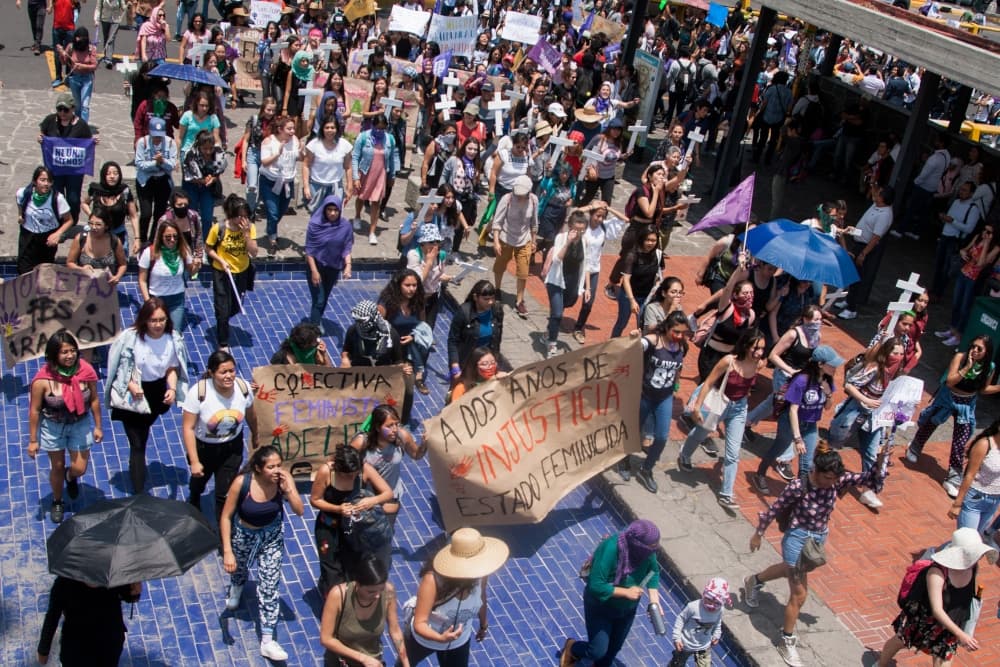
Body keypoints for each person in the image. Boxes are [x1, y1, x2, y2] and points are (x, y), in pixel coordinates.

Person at [747, 442, 888, 667]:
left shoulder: (837, 481)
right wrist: (758, 534)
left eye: (835, 478)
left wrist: (880, 463)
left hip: (818, 539)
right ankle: (786, 640)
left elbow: (868, 480)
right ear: (817, 471)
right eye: (828, 478)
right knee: (800, 594)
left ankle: (754, 581)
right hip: (797, 538)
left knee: (788, 569)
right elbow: (774, 510)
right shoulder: (798, 487)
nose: (832, 483)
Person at [219, 445, 304, 662]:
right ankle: (237, 585)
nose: (277, 470)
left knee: (269, 586)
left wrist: (289, 488)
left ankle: (268, 639)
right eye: (271, 467)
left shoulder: (283, 482)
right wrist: (227, 551)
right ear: (258, 468)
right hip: (244, 534)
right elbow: (226, 516)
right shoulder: (243, 483)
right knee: (239, 568)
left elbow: (300, 510)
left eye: (279, 465)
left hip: (272, 537)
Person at [878, 527, 996, 667]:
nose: (978, 557)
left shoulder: (973, 567)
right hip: (925, 620)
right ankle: (880, 664)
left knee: (943, 660)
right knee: (901, 641)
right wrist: (961, 635)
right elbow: (937, 610)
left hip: (951, 626)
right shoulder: (936, 572)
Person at [106, 298, 189, 494]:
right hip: (132, 395)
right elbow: (118, 367)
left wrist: (172, 387)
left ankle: (137, 465)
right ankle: (138, 488)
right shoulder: (129, 338)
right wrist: (131, 385)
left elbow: (172, 367)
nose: (158, 324)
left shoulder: (173, 339)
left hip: (155, 393)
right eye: (153, 320)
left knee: (143, 432)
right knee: (138, 443)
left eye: (162, 320)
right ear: (144, 320)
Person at [680, 330, 766, 509]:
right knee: (701, 433)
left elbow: (748, 385)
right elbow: (709, 382)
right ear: (746, 346)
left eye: (762, 349)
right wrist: (697, 406)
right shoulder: (729, 361)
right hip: (720, 403)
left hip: (739, 408)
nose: (759, 352)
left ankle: (726, 493)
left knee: (733, 453)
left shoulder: (759, 364)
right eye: (755, 348)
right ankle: (685, 454)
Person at [400, 528, 509, 667]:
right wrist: (440, 638)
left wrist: (483, 624)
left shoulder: (481, 573)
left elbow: (481, 595)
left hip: (458, 642)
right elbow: (419, 623)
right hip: (423, 641)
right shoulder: (432, 580)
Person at [559, 520, 662, 667]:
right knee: (597, 651)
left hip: (627, 610)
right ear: (639, 545)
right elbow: (596, 585)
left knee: (612, 650)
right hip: (601, 607)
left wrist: (654, 600)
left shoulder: (646, 552)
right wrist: (626, 592)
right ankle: (572, 648)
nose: (655, 550)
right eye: (652, 546)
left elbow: (653, 571)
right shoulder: (610, 548)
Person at [907, 336, 1000, 497]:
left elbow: (983, 389)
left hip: (967, 403)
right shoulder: (960, 357)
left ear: (987, 352)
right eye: (973, 346)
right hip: (948, 397)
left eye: (979, 349)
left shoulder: (989, 367)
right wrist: (967, 368)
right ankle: (915, 446)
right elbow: (950, 381)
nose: (975, 351)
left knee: (961, 440)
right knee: (931, 423)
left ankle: (953, 478)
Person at [26, 333, 101, 524]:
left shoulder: (86, 371)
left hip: (80, 424)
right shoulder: (42, 381)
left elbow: (93, 399)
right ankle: (57, 501)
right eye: (64, 352)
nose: (70, 356)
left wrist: (98, 426)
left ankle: (71, 476)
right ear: (53, 355)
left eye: (73, 351)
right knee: (57, 466)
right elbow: (34, 410)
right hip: (53, 428)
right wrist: (33, 440)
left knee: (80, 468)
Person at [182, 349, 259, 524]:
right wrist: (194, 461)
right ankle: (194, 497)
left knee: (224, 494)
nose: (229, 376)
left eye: (232, 371)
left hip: (232, 448)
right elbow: (188, 427)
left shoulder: (243, 388)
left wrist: (255, 433)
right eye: (223, 372)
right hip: (204, 448)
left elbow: (251, 414)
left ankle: (223, 534)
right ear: (211, 373)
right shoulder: (198, 393)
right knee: (199, 481)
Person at [828, 336, 906, 509]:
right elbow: (849, 385)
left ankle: (867, 490)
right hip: (856, 411)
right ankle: (824, 476)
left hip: (875, 418)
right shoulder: (874, 369)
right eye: (895, 352)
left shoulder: (897, 376)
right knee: (834, 444)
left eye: (901, 354)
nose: (898, 357)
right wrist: (866, 400)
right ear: (887, 352)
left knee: (871, 453)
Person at [753, 346, 843, 492]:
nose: (835, 367)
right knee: (778, 449)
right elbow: (793, 410)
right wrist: (797, 438)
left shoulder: (827, 380)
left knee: (806, 463)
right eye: (832, 364)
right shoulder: (801, 380)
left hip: (811, 424)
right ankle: (760, 474)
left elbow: (827, 407)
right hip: (790, 423)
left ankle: (800, 493)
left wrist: (828, 394)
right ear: (820, 364)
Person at [309, 444, 394, 598]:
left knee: (353, 566)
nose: (352, 478)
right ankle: (333, 602)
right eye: (347, 475)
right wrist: (338, 509)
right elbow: (315, 500)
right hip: (330, 528)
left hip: (355, 530)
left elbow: (387, 493)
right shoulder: (326, 471)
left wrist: (372, 500)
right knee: (331, 568)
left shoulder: (365, 469)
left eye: (355, 474)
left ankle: (349, 600)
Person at [624, 312, 690, 494]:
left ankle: (647, 469)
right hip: (644, 395)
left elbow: (679, 365)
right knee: (633, 431)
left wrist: (677, 381)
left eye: (683, 333)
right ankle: (624, 460)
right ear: (667, 328)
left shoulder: (681, 346)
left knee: (661, 437)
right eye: (676, 332)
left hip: (664, 398)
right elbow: (635, 348)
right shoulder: (653, 341)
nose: (679, 336)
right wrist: (634, 339)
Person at [746, 305, 824, 439]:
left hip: (800, 378)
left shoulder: (817, 336)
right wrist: (791, 370)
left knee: (772, 403)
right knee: (787, 409)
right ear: (805, 319)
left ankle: (747, 422)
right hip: (784, 376)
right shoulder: (793, 334)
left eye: (820, 319)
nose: (818, 323)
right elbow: (773, 355)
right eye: (815, 319)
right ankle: (785, 452)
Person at [321, 553, 410, 667]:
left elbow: (395, 630)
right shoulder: (338, 595)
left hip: (373, 661)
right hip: (341, 662)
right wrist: (362, 658)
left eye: (381, 589)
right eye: (371, 592)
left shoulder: (388, 592)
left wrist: (406, 662)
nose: (378, 595)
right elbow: (326, 638)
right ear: (357, 584)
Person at [37, 578, 142, 666]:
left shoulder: (64, 580)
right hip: (91, 645)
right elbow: (128, 595)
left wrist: (43, 650)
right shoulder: (112, 574)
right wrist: (134, 594)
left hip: (99, 644)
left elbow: (52, 616)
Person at [205, 195, 258, 350]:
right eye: (239, 216)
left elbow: (254, 252)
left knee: (235, 306)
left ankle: (223, 319)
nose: (243, 220)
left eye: (245, 216)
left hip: (241, 271)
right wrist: (221, 260)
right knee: (223, 308)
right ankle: (223, 341)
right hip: (222, 272)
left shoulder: (250, 228)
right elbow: (208, 249)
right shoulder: (219, 229)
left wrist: (246, 235)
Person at [938, 223, 1000, 346]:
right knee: (956, 303)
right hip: (963, 273)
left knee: (965, 308)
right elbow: (965, 249)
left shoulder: (995, 247)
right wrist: (962, 252)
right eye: (984, 230)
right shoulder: (977, 237)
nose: (985, 234)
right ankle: (952, 329)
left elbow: (981, 264)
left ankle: (958, 335)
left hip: (975, 279)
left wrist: (986, 243)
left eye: (989, 232)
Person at [39, 93, 94, 225]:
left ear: (73, 109)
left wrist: (92, 142)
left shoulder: (81, 125)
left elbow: (87, 142)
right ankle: (59, 223)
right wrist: (41, 137)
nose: (62, 113)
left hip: (74, 171)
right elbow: (42, 132)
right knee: (57, 196)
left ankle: (71, 221)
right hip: (56, 169)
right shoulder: (50, 120)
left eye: (66, 110)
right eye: (60, 109)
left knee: (73, 198)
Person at [379, 270, 432, 396]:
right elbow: (379, 328)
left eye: (414, 285)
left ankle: (418, 378)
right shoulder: (386, 303)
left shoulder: (418, 302)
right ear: (398, 285)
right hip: (392, 346)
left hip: (411, 343)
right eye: (407, 285)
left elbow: (422, 325)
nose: (412, 289)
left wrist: (414, 337)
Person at [492, 175, 539, 317]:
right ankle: (498, 289)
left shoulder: (533, 200)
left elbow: (534, 223)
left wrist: (534, 240)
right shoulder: (506, 199)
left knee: (523, 272)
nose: (518, 197)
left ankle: (519, 301)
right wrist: (496, 241)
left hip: (524, 238)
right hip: (506, 237)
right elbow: (497, 221)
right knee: (500, 265)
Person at [305, 195, 353, 331]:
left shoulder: (345, 226)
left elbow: (347, 247)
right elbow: (309, 250)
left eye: (335, 210)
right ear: (324, 210)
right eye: (329, 210)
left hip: (333, 267)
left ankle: (316, 319)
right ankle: (314, 328)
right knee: (319, 299)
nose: (332, 213)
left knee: (324, 298)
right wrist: (314, 271)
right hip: (316, 266)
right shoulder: (315, 225)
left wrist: (348, 266)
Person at [543, 212, 588, 359]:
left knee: (562, 308)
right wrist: (568, 242)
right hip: (556, 280)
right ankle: (552, 343)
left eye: (582, 230)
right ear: (570, 227)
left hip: (572, 281)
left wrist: (588, 287)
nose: (579, 233)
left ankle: (549, 332)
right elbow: (556, 260)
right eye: (576, 229)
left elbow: (586, 264)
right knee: (557, 314)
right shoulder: (561, 238)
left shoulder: (585, 241)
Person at [15, 166, 74, 275]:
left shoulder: (58, 199)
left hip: (47, 239)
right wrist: (20, 214)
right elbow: (18, 200)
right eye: (42, 180)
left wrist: (58, 234)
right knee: (24, 270)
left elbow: (69, 220)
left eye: (49, 181)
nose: (46, 184)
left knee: (44, 273)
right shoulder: (24, 193)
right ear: (34, 181)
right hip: (28, 237)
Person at [138, 220, 194, 332]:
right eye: (168, 237)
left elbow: (190, 272)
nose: (172, 240)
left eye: (175, 237)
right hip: (157, 298)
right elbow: (142, 280)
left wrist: (195, 266)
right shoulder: (150, 253)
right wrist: (148, 301)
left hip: (177, 299)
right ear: (161, 237)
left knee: (175, 332)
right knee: (156, 332)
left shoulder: (184, 250)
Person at [352, 113, 399, 245]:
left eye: (382, 128)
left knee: (376, 202)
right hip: (365, 171)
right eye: (377, 127)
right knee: (361, 197)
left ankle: (372, 231)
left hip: (380, 173)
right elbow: (355, 157)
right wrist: (355, 177)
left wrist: (392, 175)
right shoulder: (363, 137)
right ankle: (357, 216)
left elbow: (392, 159)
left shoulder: (389, 139)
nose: (379, 130)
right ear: (372, 126)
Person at [258, 114, 301, 253]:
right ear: (280, 129)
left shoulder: (295, 140)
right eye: (289, 129)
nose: (292, 131)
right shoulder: (268, 142)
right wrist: (277, 153)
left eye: (293, 128)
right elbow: (264, 162)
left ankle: (271, 227)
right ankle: (272, 239)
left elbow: (298, 157)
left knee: (281, 210)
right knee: (273, 212)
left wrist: (302, 152)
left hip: (287, 182)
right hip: (270, 182)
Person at [611, 228, 664, 338]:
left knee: (644, 325)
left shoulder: (658, 254)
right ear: (642, 240)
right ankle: (611, 345)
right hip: (628, 296)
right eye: (648, 240)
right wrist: (632, 301)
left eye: (653, 240)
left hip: (647, 297)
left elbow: (659, 274)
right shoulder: (632, 255)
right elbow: (626, 279)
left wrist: (657, 287)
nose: (650, 243)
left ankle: (641, 349)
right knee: (621, 323)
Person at [447, 281, 504, 383]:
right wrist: (455, 366)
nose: (490, 302)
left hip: (486, 364)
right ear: (475, 297)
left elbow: (497, 338)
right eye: (486, 299)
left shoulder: (497, 310)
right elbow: (453, 340)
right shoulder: (464, 312)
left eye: (492, 298)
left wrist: (495, 362)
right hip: (466, 362)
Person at [135, 117, 178, 246]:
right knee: (146, 213)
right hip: (146, 181)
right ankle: (142, 239)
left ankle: (153, 240)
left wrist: (163, 161)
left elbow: (172, 165)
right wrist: (156, 163)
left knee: (159, 214)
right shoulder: (142, 143)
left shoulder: (170, 143)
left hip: (163, 180)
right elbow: (140, 164)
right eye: (155, 136)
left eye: (160, 136)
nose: (157, 139)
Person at [81, 161, 140, 254]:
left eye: (115, 173)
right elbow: (84, 203)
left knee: (121, 262)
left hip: (118, 233)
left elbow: (134, 216)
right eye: (108, 174)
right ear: (103, 175)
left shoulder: (124, 191)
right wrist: (92, 216)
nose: (112, 176)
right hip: (97, 232)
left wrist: (137, 238)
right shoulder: (96, 190)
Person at [669, 578, 729, 667]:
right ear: (704, 594)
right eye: (709, 599)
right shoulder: (693, 607)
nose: (711, 604)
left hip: (704, 645)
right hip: (686, 644)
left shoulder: (719, 610)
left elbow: (717, 622)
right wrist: (676, 637)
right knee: (678, 663)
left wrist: (717, 633)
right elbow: (680, 619)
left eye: (716, 602)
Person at [303, 114, 353, 214]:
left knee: (333, 217)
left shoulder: (344, 145)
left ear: (337, 129)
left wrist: (349, 186)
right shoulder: (314, 144)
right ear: (322, 129)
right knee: (317, 216)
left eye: (332, 127)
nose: (330, 130)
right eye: (327, 127)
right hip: (317, 186)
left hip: (335, 187)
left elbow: (348, 167)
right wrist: (306, 186)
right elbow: (306, 165)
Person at [66, 208, 128, 287]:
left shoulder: (114, 241)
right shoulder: (81, 238)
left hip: (107, 288)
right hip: (83, 287)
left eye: (98, 224)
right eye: (90, 223)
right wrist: (81, 269)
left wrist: (117, 277)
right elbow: (70, 262)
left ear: (106, 226)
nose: (93, 227)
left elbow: (123, 265)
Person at [182, 130, 227, 237]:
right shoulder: (191, 155)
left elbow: (219, 171)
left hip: (208, 186)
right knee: (192, 214)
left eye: (210, 148)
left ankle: (207, 242)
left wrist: (213, 178)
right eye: (205, 149)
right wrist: (203, 180)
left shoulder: (219, 153)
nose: (208, 152)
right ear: (199, 146)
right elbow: (189, 177)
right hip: (192, 184)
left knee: (207, 216)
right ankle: (191, 239)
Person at [57, 28, 98, 123]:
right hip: (74, 78)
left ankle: (84, 126)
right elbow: (64, 62)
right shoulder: (71, 47)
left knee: (85, 105)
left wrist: (81, 66)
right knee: (77, 105)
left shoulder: (91, 48)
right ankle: (78, 124)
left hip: (87, 79)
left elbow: (94, 65)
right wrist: (61, 54)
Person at [177, 90, 222, 159]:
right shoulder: (187, 116)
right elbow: (180, 137)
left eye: (207, 106)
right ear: (196, 104)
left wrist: (219, 153)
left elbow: (216, 139)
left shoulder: (213, 118)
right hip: (187, 152)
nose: (204, 108)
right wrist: (176, 156)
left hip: (205, 154)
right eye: (202, 105)